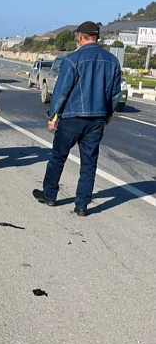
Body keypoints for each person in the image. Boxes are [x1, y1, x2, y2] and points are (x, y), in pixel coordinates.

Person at [32, 21, 122, 217]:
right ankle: (82, 205)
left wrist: (53, 115)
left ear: (81, 37)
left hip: (72, 117)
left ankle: (49, 195)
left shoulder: (73, 59)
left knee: (58, 157)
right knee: (89, 163)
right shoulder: (112, 61)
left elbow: (61, 91)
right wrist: (107, 115)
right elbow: (115, 94)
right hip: (97, 118)